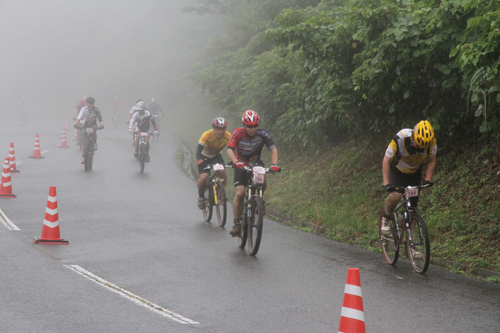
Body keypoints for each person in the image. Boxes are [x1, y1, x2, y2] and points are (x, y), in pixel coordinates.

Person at [226, 110, 281, 236]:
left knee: (262, 178)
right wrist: (236, 161)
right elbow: (230, 149)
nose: (253, 129)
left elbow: (273, 149)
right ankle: (236, 223)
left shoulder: (263, 134)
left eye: (255, 126)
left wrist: (274, 164)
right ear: (244, 125)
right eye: (250, 126)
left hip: (256, 163)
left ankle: (259, 201)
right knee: (240, 193)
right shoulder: (237, 133)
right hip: (240, 164)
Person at [381, 120, 437, 234]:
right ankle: (386, 217)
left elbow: (432, 160)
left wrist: (427, 179)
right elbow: (386, 160)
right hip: (397, 170)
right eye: (418, 145)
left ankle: (411, 245)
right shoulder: (400, 138)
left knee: (412, 210)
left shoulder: (431, 142)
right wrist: (387, 183)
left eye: (423, 147)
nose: (419, 149)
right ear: (412, 137)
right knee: (396, 195)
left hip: (414, 173)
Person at [196, 117, 232, 209]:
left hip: (216, 156)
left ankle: (221, 193)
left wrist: (233, 159)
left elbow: (232, 149)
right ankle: (201, 196)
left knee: (222, 171)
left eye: (223, 129)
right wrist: (199, 160)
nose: (221, 132)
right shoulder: (207, 135)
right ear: (214, 129)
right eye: (218, 129)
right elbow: (198, 150)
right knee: (204, 177)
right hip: (204, 157)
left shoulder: (228, 136)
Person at [74, 97, 104, 164]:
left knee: (93, 133)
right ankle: (83, 157)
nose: (90, 105)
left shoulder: (97, 110)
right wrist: (76, 124)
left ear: (94, 103)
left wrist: (101, 125)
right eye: (89, 103)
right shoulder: (83, 109)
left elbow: (100, 119)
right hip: (86, 125)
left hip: (93, 124)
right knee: (83, 142)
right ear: (86, 104)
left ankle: (95, 143)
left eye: (92, 103)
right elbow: (79, 117)